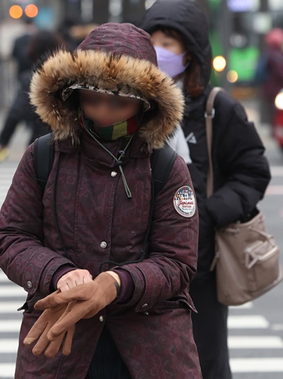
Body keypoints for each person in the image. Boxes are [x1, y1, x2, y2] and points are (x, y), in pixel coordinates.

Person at [0, 23, 201, 378]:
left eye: (119, 101)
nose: (103, 110)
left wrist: (115, 283)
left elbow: (177, 261)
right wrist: (59, 273)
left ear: (145, 101)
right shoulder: (44, 156)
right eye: (92, 98)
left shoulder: (165, 165)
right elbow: (11, 236)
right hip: (60, 340)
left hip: (150, 346)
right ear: (72, 95)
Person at [141, 2, 271, 378]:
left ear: (193, 52)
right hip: (138, 264)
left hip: (201, 266)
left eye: (171, 42)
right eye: (153, 40)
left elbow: (252, 171)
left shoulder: (217, 108)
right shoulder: (128, 105)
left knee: (204, 363)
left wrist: (211, 213)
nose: (160, 50)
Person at [0, 31, 63, 162]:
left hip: (42, 144)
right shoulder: (71, 76)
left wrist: (3, 142)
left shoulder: (33, 79)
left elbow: (16, 112)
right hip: (73, 144)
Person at [262, 28, 283, 125]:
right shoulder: (276, 55)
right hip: (276, 89)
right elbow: (280, 73)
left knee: (272, 112)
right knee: (276, 113)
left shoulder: (268, 53)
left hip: (268, 88)